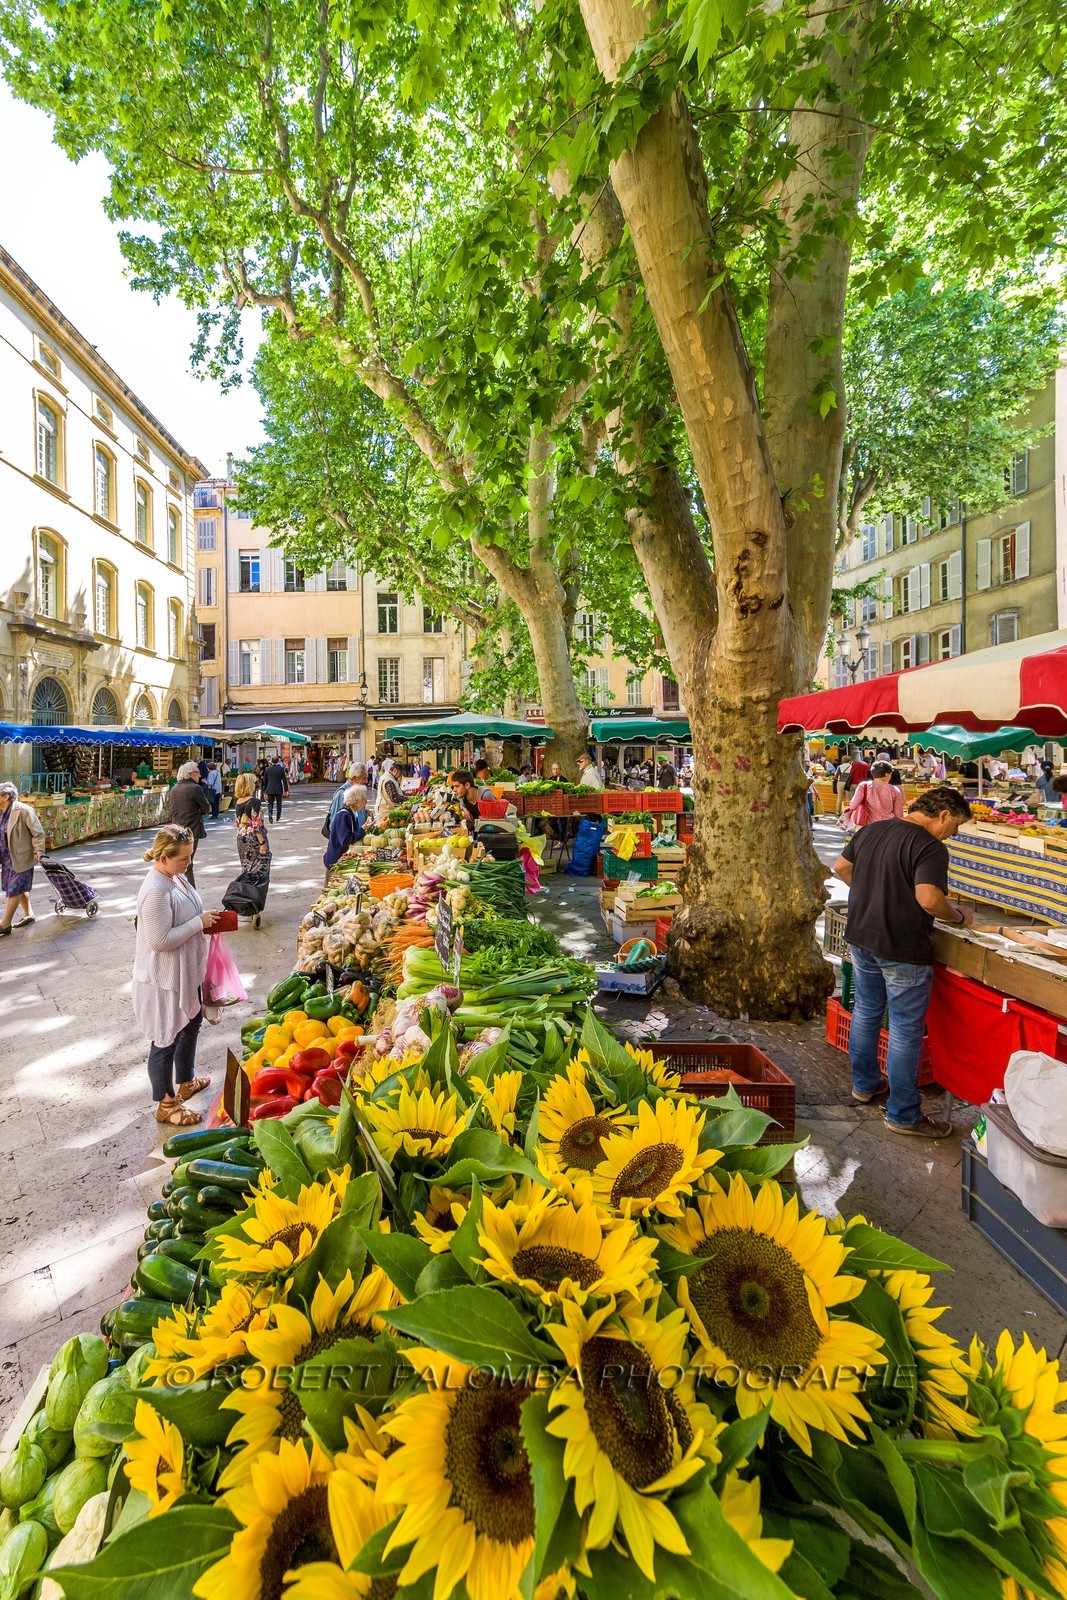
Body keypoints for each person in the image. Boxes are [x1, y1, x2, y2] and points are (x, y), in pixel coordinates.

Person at [833, 787, 973, 1138]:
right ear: (943, 814)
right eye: (955, 825)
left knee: (867, 1010)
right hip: (902, 947)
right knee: (905, 1030)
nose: (954, 834)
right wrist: (957, 916)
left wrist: (873, 894)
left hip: (862, 936)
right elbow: (929, 899)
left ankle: (865, 1085)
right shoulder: (930, 847)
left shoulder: (872, 829)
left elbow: (842, 868)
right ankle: (903, 1113)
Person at [132, 825, 220, 1127]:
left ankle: (186, 1080)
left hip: (185, 972)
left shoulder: (176, 878)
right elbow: (159, 941)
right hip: (163, 979)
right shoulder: (155, 891)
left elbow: (187, 914)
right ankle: (166, 1104)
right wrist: (198, 923)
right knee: (165, 1038)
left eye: (190, 856)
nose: (188, 863)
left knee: (191, 1023)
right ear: (163, 858)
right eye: (183, 858)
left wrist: (206, 920)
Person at [0, 783, 44, 935]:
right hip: (6, 857)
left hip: (22, 856)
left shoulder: (24, 810)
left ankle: (5, 923)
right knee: (18, 886)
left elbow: (38, 832)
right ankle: (29, 914)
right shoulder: (1, 812)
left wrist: (39, 850)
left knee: (15, 888)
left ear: (5, 797)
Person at [167, 761, 211, 887]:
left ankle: (181, 887)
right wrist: (199, 810)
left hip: (177, 828)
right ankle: (190, 891)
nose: (200, 776)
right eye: (197, 773)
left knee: (181, 859)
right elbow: (206, 808)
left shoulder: (175, 788)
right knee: (188, 862)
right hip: (192, 829)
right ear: (190, 774)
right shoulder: (195, 788)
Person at [844, 761, 904, 828]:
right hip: (888, 826)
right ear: (886, 774)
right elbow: (899, 813)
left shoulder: (863, 786)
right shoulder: (894, 790)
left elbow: (853, 805)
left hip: (867, 825)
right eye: (890, 774)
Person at [324, 785, 367, 879]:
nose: (366, 802)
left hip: (341, 859)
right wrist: (362, 829)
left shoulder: (351, 813)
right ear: (357, 801)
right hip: (336, 861)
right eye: (364, 799)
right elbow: (345, 840)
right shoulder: (344, 815)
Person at [233, 771, 270, 877]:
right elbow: (256, 825)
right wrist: (262, 843)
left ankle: (246, 886)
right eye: (254, 783)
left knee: (247, 867)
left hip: (242, 836)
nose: (255, 785)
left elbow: (238, 822)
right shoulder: (255, 802)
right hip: (253, 838)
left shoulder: (239, 801)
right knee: (259, 868)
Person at [326, 762, 368, 835]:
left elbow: (355, 811)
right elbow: (335, 824)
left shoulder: (358, 791)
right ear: (354, 778)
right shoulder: (342, 794)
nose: (366, 781)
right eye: (364, 778)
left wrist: (365, 812)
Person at [837, 751, 870, 815]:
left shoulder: (854, 765)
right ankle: (857, 813)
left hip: (850, 783)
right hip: (861, 785)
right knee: (858, 799)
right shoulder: (866, 766)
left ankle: (845, 812)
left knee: (848, 799)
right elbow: (867, 777)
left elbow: (850, 774)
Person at [373, 758, 404, 826]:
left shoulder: (388, 776)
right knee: (385, 828)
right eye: (400, 773)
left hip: (386, 809)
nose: (400, 775)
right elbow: (394, 797)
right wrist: (407, 798)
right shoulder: (388, 780)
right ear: (394, 770)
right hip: (385, 811)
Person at [262, 756, 289, 823]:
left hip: (270, 788)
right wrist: (286, 790)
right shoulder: (281, 769)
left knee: (270, 803)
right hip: (278, 788)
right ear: (278, 761)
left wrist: (264, 789)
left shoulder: (267, 769)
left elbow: (265, 780)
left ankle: (270, 813)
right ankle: (278, 816)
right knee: (279, 803)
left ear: (272, 761)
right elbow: (284, 780)